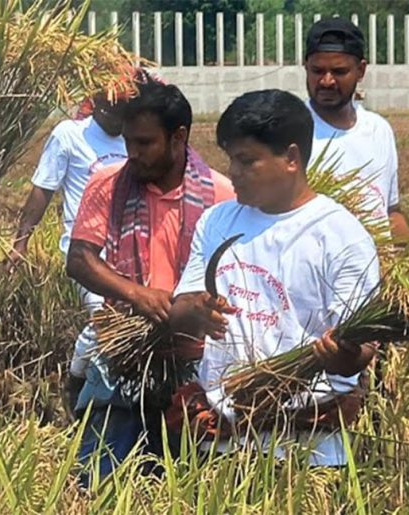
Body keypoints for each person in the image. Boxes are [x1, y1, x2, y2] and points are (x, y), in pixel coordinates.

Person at [167, 89, 380, 467]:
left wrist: (339, 356)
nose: (233, 172)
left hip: (307, 452)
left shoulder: (340, 236)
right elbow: (180, 309)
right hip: (221, 444)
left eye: (247, 161)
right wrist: (196, 310)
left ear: (291, 159)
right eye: (231, 159)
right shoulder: (217, 222)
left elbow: (360, 354)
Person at [66, 80, 235, 482]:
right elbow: (79, 259)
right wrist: (136, 295)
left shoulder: (221, 195)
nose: (133, 154)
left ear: (179, 138)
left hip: (192, 364)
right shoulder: (107, 183)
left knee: (188, 483)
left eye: (144, 143)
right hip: (122, 358)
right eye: (128, 142)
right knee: (98, 481)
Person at [2, 93, 128, 414]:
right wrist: (20, 244)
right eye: (117, 110)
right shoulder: (69, 135)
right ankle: (75, 389)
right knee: (104, 318)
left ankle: (118, 395)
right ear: (99, 105)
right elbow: (42, 190)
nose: (122, 118)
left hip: (130, 247)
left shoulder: (136, 137)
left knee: (129, 324)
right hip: (85, 250)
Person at [304, 18, 409, 240]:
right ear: (305, 67)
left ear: (361, 70)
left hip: (376, 269)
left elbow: (387, 220)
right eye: (317, 70)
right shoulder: (290, 130)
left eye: (339, 72)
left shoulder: (378, 131)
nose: (327, 81)